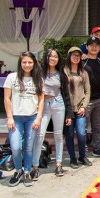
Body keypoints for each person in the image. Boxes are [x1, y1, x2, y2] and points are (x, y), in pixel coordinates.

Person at [4, 51, 44, 187]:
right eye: (24, 62)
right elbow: (6, 98)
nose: (27, 65)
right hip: (16, 118)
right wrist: (9, 117)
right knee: (15, 147)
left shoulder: (38, 79)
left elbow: (41, 99)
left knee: (28, 147)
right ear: (20, 63)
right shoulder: (11, 77)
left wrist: (38, 117)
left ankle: (27, 171)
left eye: (30, 62)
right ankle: (18, 170)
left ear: (34, 64)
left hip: (31, 117)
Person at [32, 49, 73, 179]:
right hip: (44, 105)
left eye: (55, 56)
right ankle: (35, 166)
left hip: (58, 104)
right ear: (46, 58)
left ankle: (59, 164)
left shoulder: (61, 74)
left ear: (58, 59)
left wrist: (69, 114)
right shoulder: (39, 73)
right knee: (40, 135)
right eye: (50, 56)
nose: (53, 58)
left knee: (58, 135)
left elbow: (66, 95)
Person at [64, 47, 92, 168]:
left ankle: (82, 155)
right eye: (73, 55)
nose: (76, 57)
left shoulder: (83, 72)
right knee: (69, 135)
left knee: (81, 133)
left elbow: (88, 91)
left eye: (78, 55)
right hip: (68, 109)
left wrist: (84, 106)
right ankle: (72, 158)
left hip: (80, 109)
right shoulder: (64, 71)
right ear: (69, 56)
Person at [83, 36, 100, 158]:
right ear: (87, 47)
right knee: (82, 127)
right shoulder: (82, 63)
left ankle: (97, 148)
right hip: (86, 101)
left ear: (99, 48)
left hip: (99, 99)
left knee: (97, 126)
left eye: (96, 45)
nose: (94, 48)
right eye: (91, 45)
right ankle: (83, 152)